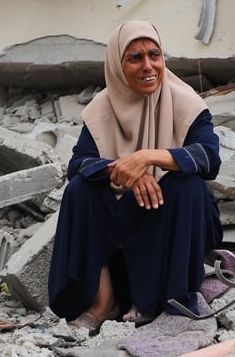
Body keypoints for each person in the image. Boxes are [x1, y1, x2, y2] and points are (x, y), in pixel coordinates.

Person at [48, 20, 223, 334]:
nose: (148, 66)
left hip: (172, 229)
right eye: (135, 58)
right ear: (117, 65)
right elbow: (79, 163)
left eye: (154, 55)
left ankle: (158, 300)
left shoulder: (186, 102)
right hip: (119, 231)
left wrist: (147, 158)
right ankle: (103, 303)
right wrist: (126, 172)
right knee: (80, 189)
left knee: (187, 184)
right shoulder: (101, 109)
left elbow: (209, 157)